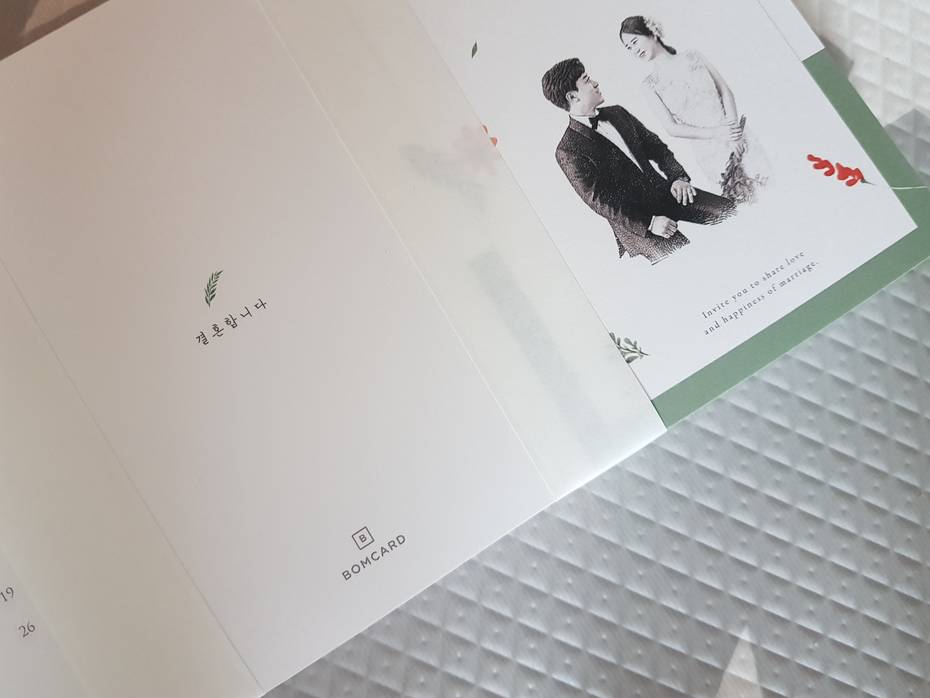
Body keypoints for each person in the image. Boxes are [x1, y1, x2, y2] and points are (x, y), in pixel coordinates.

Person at [541, 57, 735, 264]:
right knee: (683, 261)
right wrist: (649, 223)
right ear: (573, 96)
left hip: (666, 193)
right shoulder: (567, 150)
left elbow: (657, 148)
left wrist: (678, 177)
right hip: (635, 223)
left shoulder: (617, 113)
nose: (595, 83)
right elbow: (599, 201)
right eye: (587, 80)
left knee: (729, 212)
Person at [619, 16, 771, 204]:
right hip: (710, 152)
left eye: (635, 42)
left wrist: (734, 133)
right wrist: (717, 133)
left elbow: (725, 91)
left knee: (768, 185)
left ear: (651, 33)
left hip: (737, 135)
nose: (634, 50)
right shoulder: (650, 85)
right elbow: (672, 128)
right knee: (745, 201)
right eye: (629, 48)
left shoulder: (692, 56)